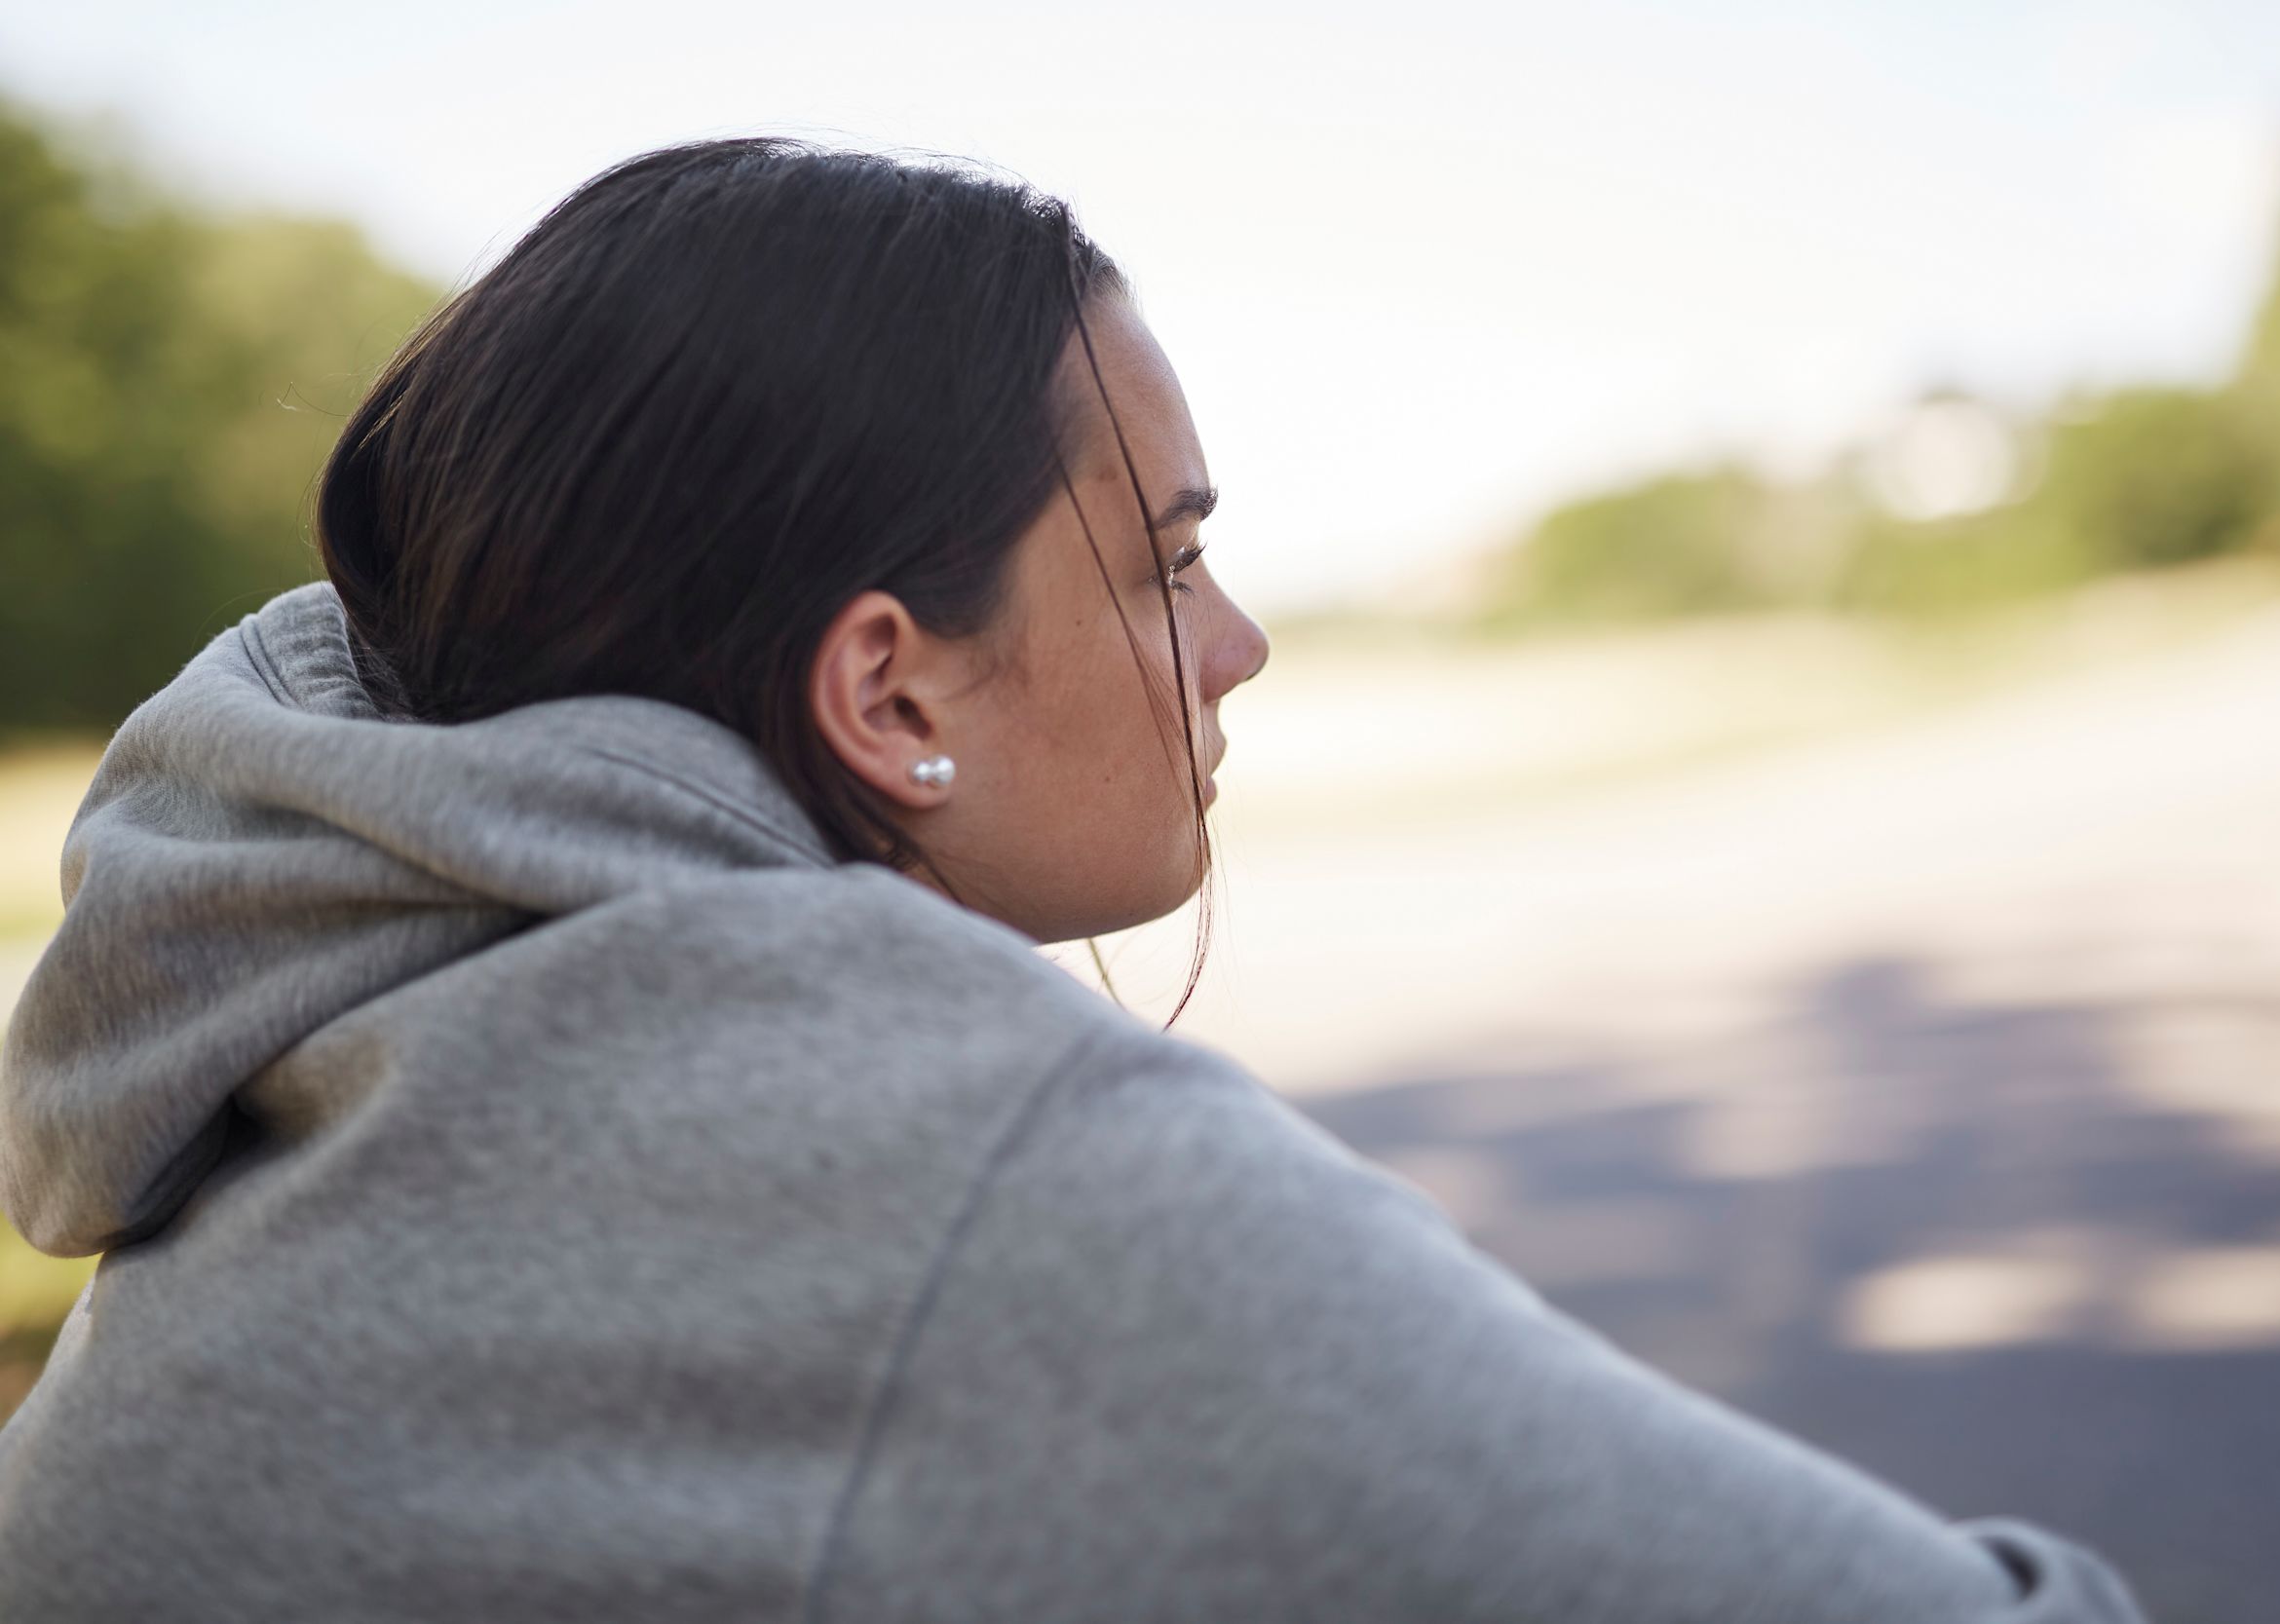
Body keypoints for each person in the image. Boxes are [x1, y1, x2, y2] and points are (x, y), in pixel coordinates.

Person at [0, 137, 2150, 1622]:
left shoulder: (310, 1066)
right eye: (1167, 563)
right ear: (887, 688)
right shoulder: (952, 1158)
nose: (1239, 645)